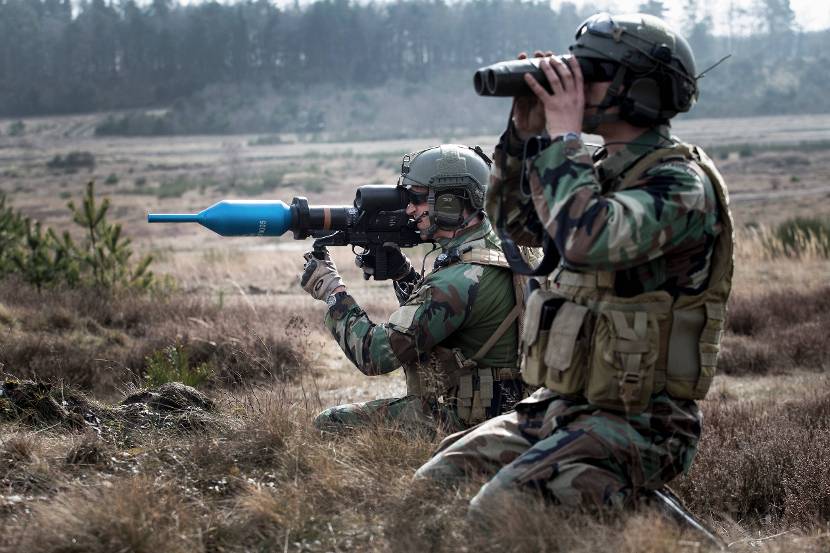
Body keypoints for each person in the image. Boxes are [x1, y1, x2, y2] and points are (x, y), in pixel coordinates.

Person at [415, 13, 734, 515]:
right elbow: (516, 226)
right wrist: (525, 136)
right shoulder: (597, 171)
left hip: (647, 420)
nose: (576, 83)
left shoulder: (680, 183)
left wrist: (564, 141)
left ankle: (662, 532)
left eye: (593, 71)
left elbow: (590, 240)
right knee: (434, 486)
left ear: (639, 89)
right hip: (565, 403)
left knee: (498, 510)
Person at [299, 144, 527, 434]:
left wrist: (332, 291)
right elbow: (441, 319)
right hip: (515, 408)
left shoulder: (459, 279)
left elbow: (374, 354)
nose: (409, 209)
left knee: (329, 423)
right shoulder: (503, 249)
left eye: (417, 199)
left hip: (470, 421)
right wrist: (403, 274)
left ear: (450, 202)